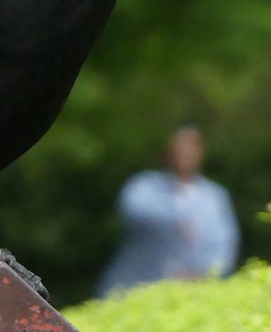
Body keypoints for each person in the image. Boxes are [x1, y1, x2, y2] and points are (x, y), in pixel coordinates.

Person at [97, 126, 240, 296]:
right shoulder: (143, 185)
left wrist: (204, 273)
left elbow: (225, 243)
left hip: (190, 293)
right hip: (133, 287)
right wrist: (175, 222)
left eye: (191, 149)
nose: (185, 154)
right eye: (180, 149)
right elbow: (132, 211)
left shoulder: (214, 196)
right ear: (168, 152)